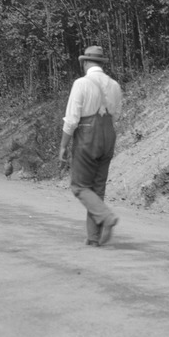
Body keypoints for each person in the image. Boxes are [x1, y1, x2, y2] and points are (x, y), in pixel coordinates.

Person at [58, 45, 123, 247]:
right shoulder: (114, 85)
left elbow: (72, 119)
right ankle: (93, 238)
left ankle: (106, 217)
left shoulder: (81, 83)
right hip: (108, 135)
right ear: (101, 63)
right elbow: (117, 115)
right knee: (97, 189)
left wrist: (63, 145)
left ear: (85, 62)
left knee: (79, 186)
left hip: (87, 135)